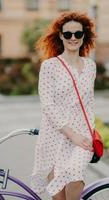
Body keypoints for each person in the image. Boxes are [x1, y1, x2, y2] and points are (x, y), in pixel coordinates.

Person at [31, 11, 97, 200]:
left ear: (84, 35)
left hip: (82, 135)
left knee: (75, 176)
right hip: (55, 137)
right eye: (68, 34)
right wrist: (71, 134)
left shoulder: (90, 66)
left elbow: (89, 103)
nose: (73, 38)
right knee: (58, 196)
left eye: (78, 34)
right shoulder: (50, 66)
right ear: (61, 35)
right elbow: (48, 106)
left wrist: (88, 132)